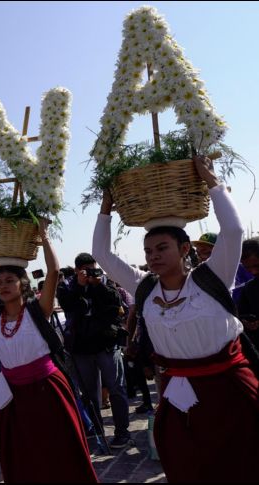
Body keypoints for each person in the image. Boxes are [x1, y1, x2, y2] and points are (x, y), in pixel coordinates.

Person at [93, 155, 259, 482]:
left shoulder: (212, 277)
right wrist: (105, 208)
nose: (153, 256)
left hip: (229, 391)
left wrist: (211, 181)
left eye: (162, 248)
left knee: (242, 465)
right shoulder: (144, 288)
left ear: (184, 249)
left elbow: (234, 230)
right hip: (180, 396)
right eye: (149, 251)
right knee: (189, 467)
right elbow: (101, 253)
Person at [0, 221, 98, 482]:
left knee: (58, 455)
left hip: (48, 392)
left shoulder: (37, 310)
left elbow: (54, 270)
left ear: (22, 284)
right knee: (25, 459)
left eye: (9, 280)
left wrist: (43, 234)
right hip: (14, 398)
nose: (3, 285)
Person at [56, 252, 131, 448]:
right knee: (90, 393)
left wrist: (97, 284)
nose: (90, 273)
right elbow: (69, 305)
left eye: (93, 268)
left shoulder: (104, 282)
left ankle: (122, 431)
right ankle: (96, 429)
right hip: (82, 347)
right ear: (76, 270)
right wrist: (80, 286)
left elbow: (115, 303)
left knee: (116, 388)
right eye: (85, 270)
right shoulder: (67, 286)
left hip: (106, 343)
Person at [238, 238, 259, 347]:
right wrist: (246, 322)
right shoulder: (249, 288)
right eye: (247, 268)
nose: (253, 271)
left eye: (256, 266)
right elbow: (241, 314)